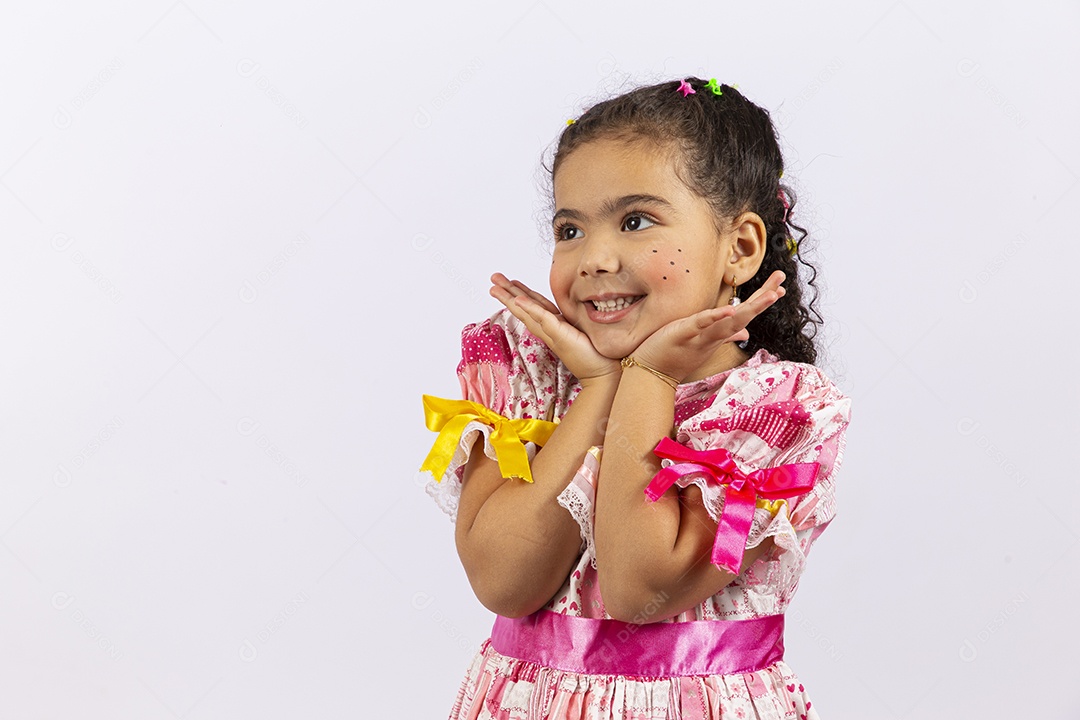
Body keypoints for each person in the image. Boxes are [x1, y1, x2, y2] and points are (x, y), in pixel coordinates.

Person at [419, 76, 852, 719]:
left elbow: (638, 588)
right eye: (569, 230)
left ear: (740, 248)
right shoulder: (533, 371)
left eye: (634, 221)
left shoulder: (777, 412)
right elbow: (503, 582)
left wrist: (645, 381)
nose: (593, 257)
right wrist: (597, 389)